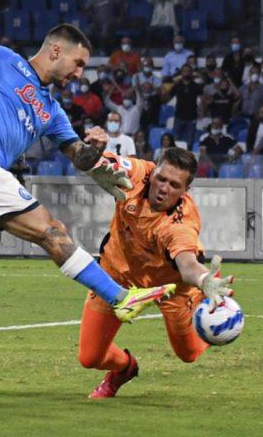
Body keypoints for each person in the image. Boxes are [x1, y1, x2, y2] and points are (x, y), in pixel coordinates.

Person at [0, 24, 177, 409]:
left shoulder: (51, 109)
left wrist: (95, 149)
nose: (79, 73)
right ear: (55, 51)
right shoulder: (5, 61)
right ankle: (119, 297)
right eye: (78, 63)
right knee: (51, 230)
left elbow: (78, 155)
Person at [77, 148, 234, 399]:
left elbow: (187, 264)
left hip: (170, 286)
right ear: (153, 172)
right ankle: (124, 368)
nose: (163, 188)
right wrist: (91, 150)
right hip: (117, 275)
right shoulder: (137, 174)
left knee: (188, 354)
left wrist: (203, 279)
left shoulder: (180, 225)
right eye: (161, 178)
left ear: (186, 190)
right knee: (90, 357)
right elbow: (104, 163)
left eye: (174, 185)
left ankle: (210, 312)